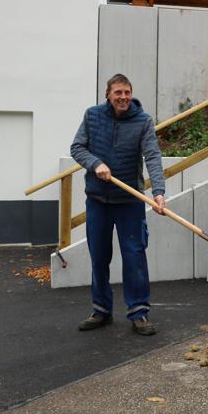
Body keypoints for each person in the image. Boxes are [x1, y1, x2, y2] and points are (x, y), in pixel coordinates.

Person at [70, 74, 166, 336]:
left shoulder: (143, 121)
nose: (123, 97)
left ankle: (139, 312)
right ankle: (101, 309)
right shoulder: (92, 116)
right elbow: (77, 148)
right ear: (108, 95)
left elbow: (153, 156)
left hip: (130, 201)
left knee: (134, 255)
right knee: (99, 256)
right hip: (98, 201)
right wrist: (95, 164)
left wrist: (158, 192)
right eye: (118, 93)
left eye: (127, 92)